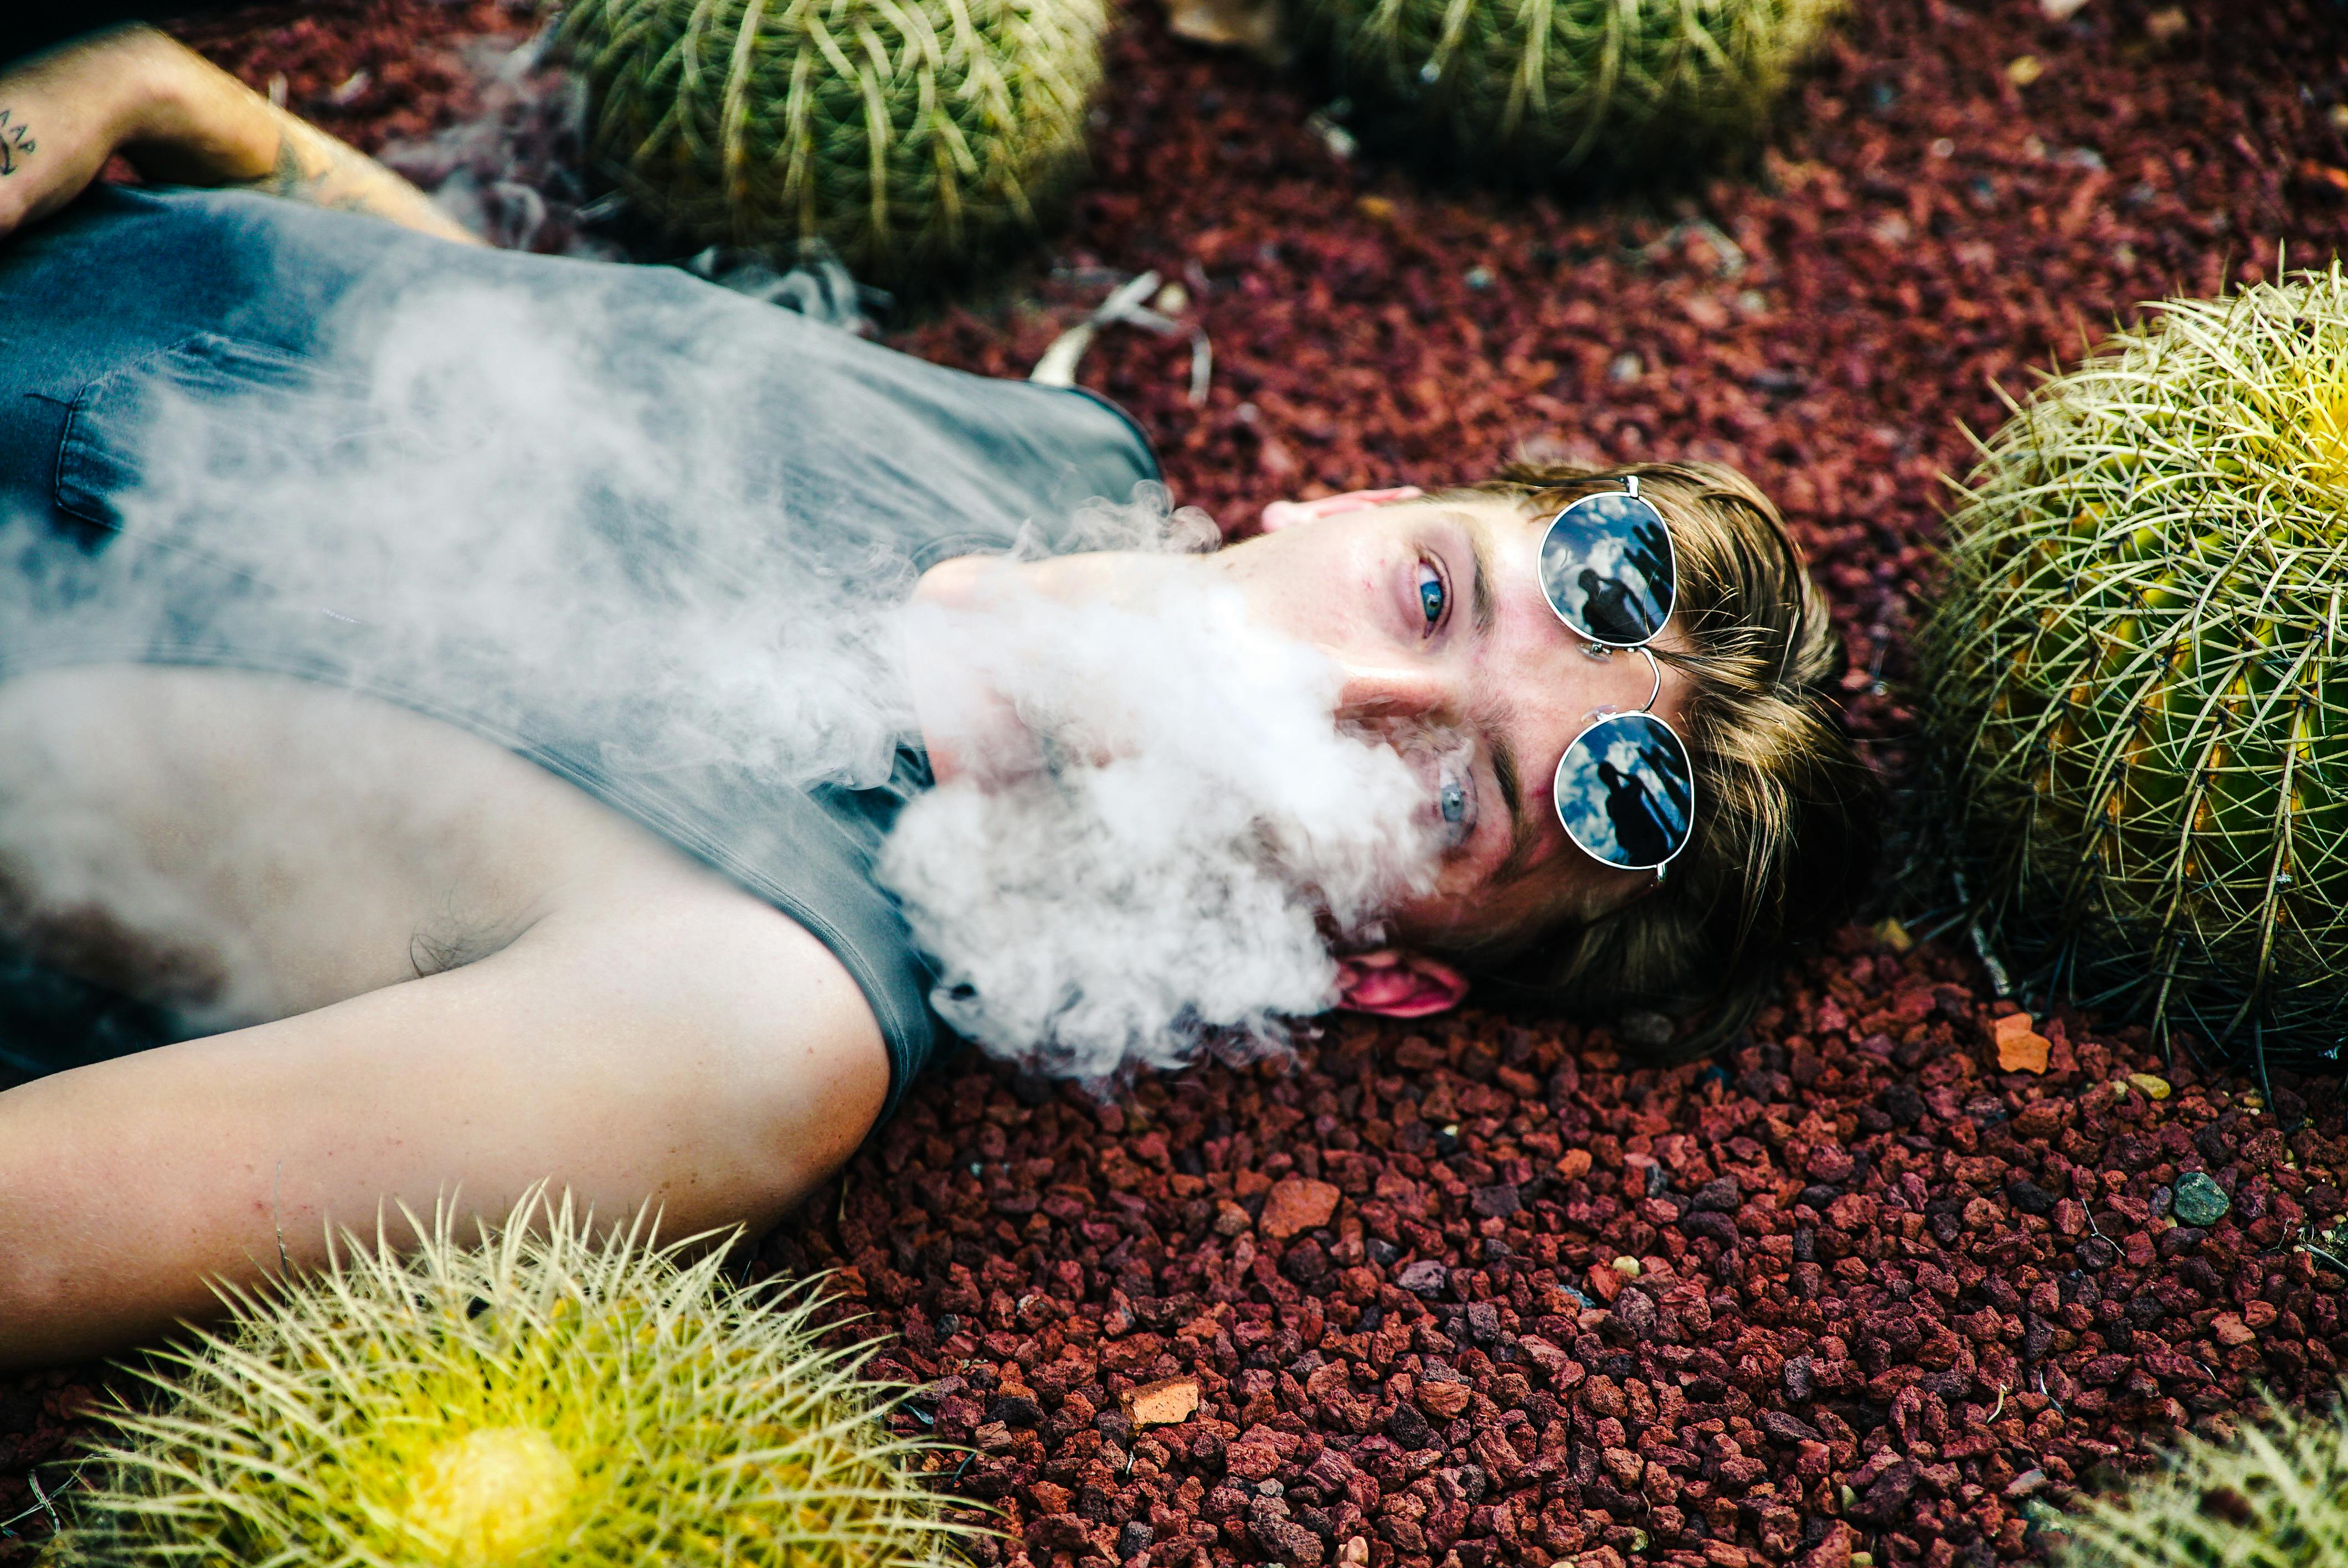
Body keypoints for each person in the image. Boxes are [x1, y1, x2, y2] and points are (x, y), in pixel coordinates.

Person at [0, 25, 1877, 1367]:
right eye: (1430, 591)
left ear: (1380, 967)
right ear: (1355, 501)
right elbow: (551, 363)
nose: (1351, 684)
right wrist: (184, 102)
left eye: (1458, 796)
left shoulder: (751, 1023)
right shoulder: (1051, 455)